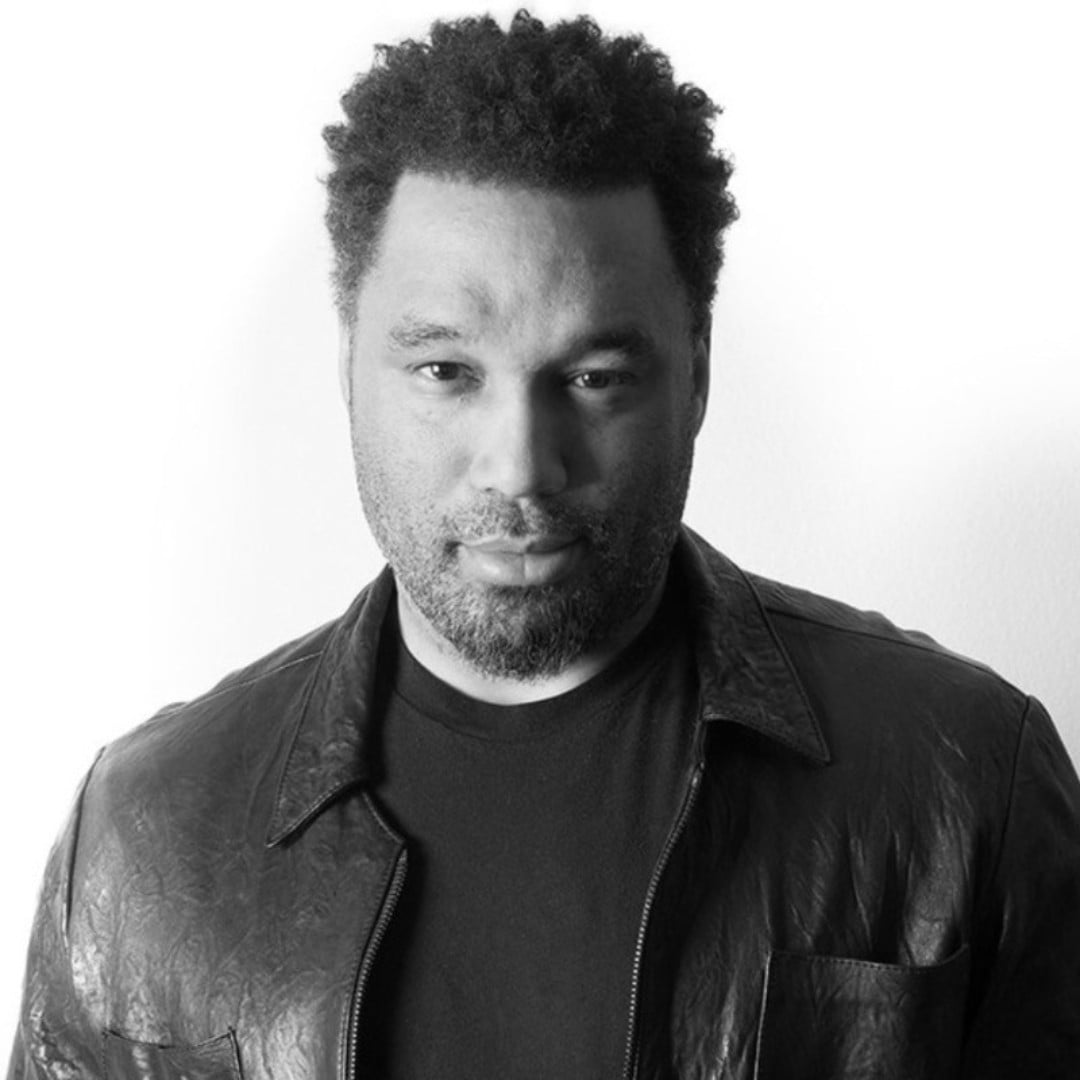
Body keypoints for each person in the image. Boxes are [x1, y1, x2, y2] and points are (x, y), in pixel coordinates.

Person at [8, 10, 1080, 1079]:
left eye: (594, 378)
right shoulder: (143, 839)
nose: (520, 466)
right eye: (446, 372)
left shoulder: (964, 781)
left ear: (697, 373)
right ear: (348, 370)